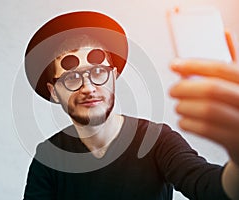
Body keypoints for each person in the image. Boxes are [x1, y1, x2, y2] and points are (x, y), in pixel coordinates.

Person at [23, 11, 239, 199]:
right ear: (54, 91)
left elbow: (212, 189)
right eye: (71, 78)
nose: (88, 87)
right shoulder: (48, 157)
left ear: (113, 77)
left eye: (98, 72)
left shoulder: (156, 140)